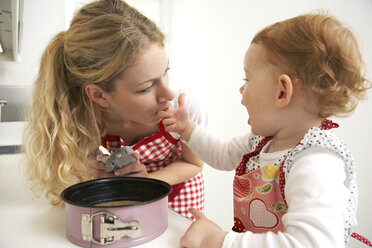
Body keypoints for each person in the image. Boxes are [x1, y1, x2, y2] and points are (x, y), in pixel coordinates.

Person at [158, 12, 371, 247]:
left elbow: (313, 243)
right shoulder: (262, 142)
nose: (241, 90)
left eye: (247, 79)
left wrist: (219, 240)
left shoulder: (315, 160)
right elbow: (222, 155)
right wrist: (187, 130)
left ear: (282, 92)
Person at [22, 0, 207, 220]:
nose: (167, 94)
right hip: (123, 205)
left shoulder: (182, 107)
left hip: (178, 202)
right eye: (146, 87)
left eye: (166, 71)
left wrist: (149, 180)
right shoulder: (83, 114)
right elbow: (76, 158)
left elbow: (193, 163)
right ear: (99, 96)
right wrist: (89, 167)